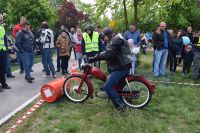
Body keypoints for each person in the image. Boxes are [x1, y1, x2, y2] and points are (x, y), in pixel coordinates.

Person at [88, 27, 132, 111]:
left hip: (121, 67)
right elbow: (107, 51)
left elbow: (109, 53)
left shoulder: (116, 40)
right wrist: (97, 55)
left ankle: (120, 106)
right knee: (117, 86)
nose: (104, 38)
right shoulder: (115, 38)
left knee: (108, 87)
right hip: (122, 65)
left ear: (109, 35)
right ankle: (121, 99)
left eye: (104, 36)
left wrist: (94, 58)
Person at [0, 14, 11, 92]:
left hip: (3, 51)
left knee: (3, 68)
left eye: (1, 20)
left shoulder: (2, 28)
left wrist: (7, 49)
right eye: (0, 20)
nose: (1, 21)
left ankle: (3, 83)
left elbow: (4, 39)